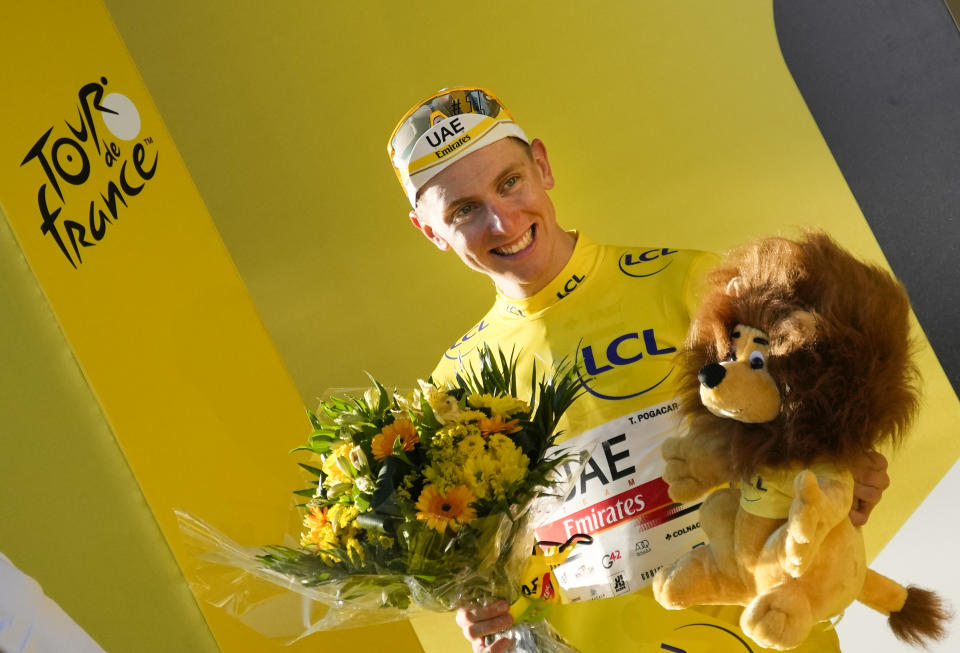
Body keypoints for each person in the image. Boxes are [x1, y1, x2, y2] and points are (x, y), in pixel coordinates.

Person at [388, 87, 891, 653]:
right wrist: (481, 604)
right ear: (429, 231)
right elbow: (483, 562)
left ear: (543, 165)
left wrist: (848, 466)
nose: (502, 221)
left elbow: (818, 423)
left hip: (765, 635)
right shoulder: (451, 391)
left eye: (509, 182)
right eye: (464, 210)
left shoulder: (686, 282)